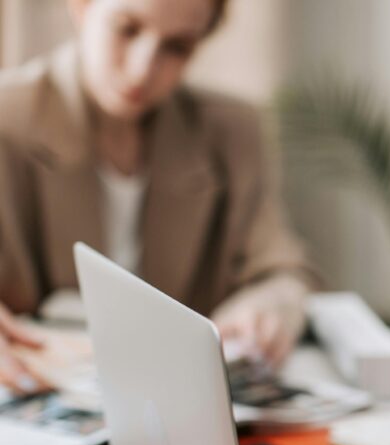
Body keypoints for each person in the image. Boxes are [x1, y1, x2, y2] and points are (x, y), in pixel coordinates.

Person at [0, 0, 314, 393]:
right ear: (81, 7)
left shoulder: (232, 132)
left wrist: (270, 308)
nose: (143, 68)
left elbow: (282, 271)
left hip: (182, 415)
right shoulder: (7, 118)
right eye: (127, 29)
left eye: (177, 47)